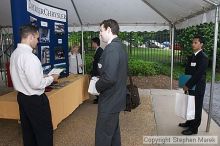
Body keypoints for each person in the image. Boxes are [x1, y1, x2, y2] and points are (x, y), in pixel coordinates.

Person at [10, 24, 59, 146]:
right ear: (31, 37)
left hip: (22, 97)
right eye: (37, 38)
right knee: (44, 132)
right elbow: (36, 84)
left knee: (28, 132)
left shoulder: (15, 54)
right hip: (35, 100)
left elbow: (25, 77)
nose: (37, 41)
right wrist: (51, 78)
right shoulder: (30, 57)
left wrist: (42, 77)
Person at [95, 19, 128, 146]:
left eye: (101, 31)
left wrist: (96, 86)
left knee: (103, 136)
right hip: (116, 98)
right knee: (113, 133)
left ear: (109, 29)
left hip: (110, 99)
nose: (100, 34)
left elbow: (109, 78)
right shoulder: (119, 46)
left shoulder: (112, 48)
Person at [179, 35, 209, 135]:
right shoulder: (192, 56)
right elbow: (188, 71)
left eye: (195, 42)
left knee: (196, 106)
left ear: (201, 44)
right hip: (190, 85)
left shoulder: (203, 57)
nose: (193, 44)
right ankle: (189, 122)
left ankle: (194, 128)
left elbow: (199, 74)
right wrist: (184, 84)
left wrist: (188, 85)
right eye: (193, 42)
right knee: (190, 104)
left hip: (198, 86)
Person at [91, 37, 103, 104]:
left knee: (96, 85)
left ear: (95, 43)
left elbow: (100, 62)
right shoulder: (98, 50)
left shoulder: (100, 50)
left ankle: (99, 99)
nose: (92, 44)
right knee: (95, 85)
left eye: (92, 42)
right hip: (96, 71)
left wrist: (98, 73)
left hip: (97, 72)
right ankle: (98, 98)